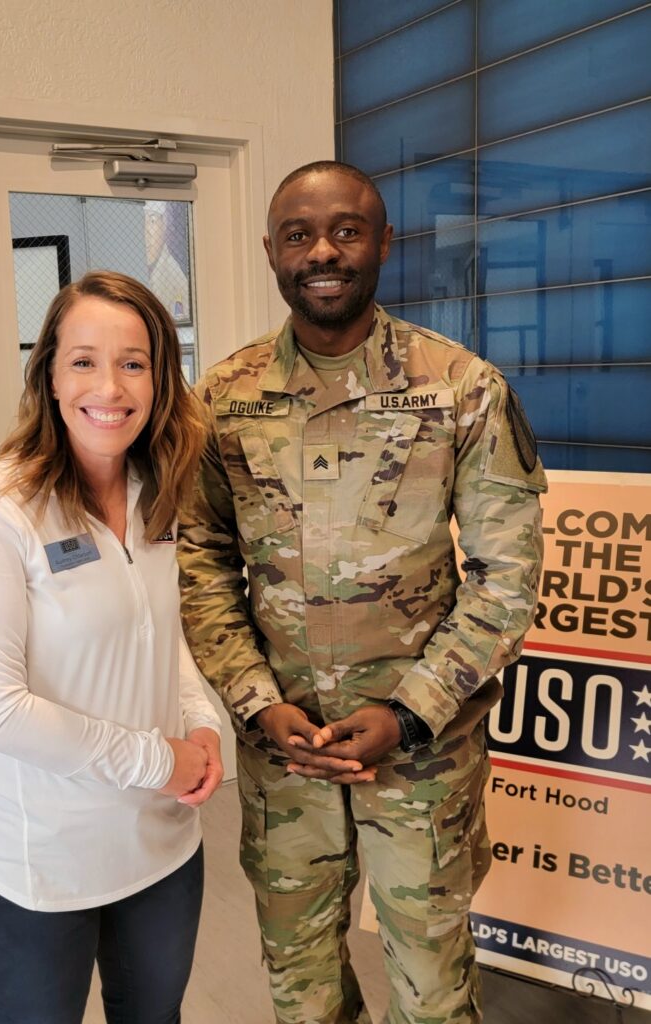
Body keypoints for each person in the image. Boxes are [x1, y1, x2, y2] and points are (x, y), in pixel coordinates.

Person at [178, 161, 546, 1024]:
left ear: (383, 242)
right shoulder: (223, 401)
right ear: (272, 250)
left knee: (431, 989)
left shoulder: (461, 388)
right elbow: (199, 566)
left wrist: (411, 712)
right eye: (299, 234)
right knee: (299, 986)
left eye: (347, 230)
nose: (323, 252)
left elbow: (506, 577)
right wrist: (256, 704)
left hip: (420, 761)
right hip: (285, 758)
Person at [0, 270, 223, 1024]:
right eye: (85, 360)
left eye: (135, 362)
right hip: (38, 873)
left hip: (162, 854)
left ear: (161, 379)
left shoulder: (158, 490)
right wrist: (160, 760)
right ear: (50, 377)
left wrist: (201, 725)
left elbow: (167, 641)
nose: (112, 386)